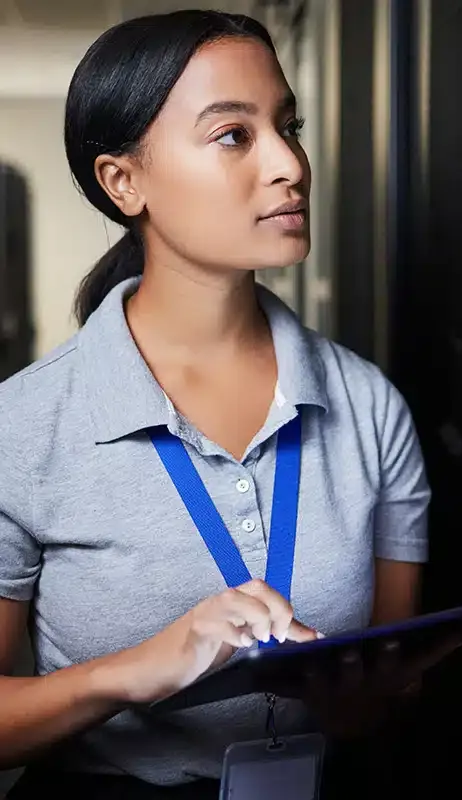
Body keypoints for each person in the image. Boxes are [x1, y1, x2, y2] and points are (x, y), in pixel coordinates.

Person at [0, 10, 430, 799]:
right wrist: (136, 672)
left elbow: (392, 678)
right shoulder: (21, 427)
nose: (290, 164)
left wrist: (366, 704)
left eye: (288, 126)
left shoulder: (371, 407)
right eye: (234, 134)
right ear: (122, 181)